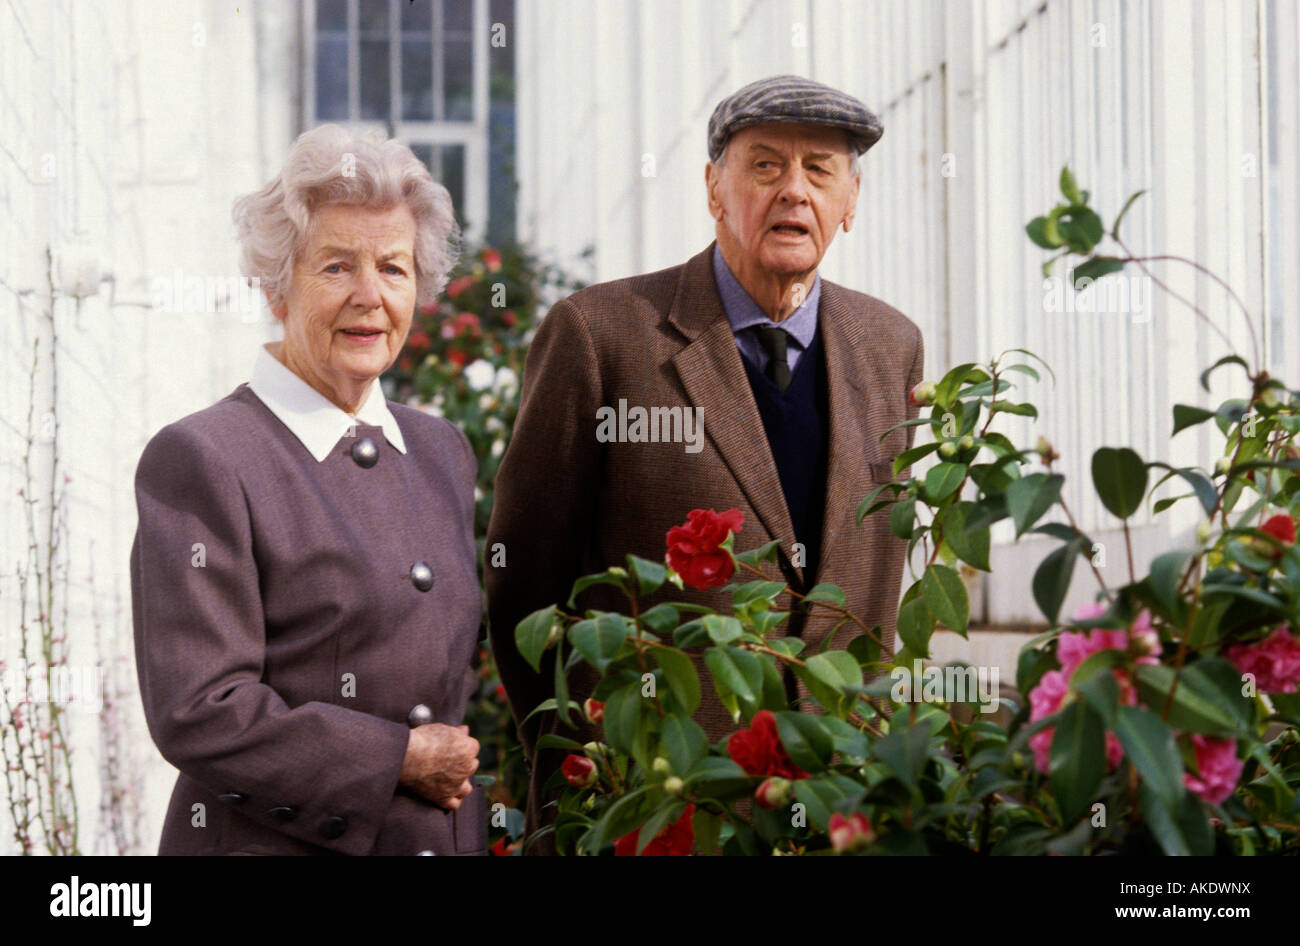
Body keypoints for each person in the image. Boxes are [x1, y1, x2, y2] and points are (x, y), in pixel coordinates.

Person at [486, 75, 926, 853]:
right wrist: (580, 776)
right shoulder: (602, 335)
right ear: (714, 189)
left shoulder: (891, 345)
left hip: (835, 802)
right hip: (657, 806)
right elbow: (524, 584)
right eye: (764, 166)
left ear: (851, 200)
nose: (794, 190)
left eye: (820, 169)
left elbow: (879, 591)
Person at [130, 124, 486, 855]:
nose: (369, 296)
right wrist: (401, 759)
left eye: (393, 268)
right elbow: (200, 710)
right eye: (335, 268)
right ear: (276, 285)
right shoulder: (204, 457)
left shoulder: (442, 450)